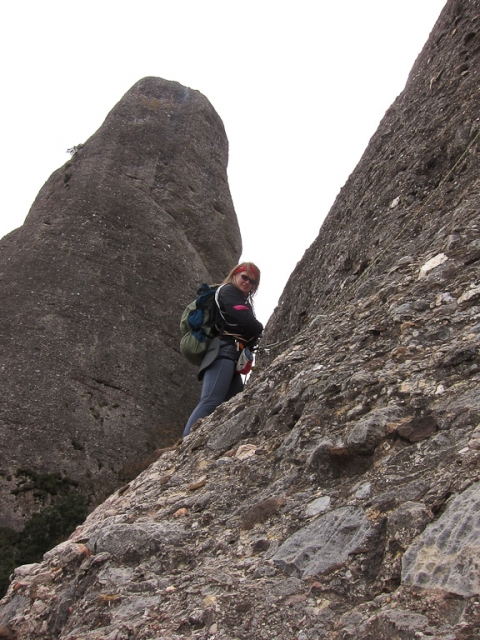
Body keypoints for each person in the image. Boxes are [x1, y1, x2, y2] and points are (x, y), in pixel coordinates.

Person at [182, 262, 263, 437]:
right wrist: (259, 327)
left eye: (252, 281)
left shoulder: (240, 299)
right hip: (223, 352)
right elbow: (241, 316)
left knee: (235, 404)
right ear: (235, 275)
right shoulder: (228, 291)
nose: (248, 282)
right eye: (245, 277)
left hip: (232, 355)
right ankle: (183, 446)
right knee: (211, 401)